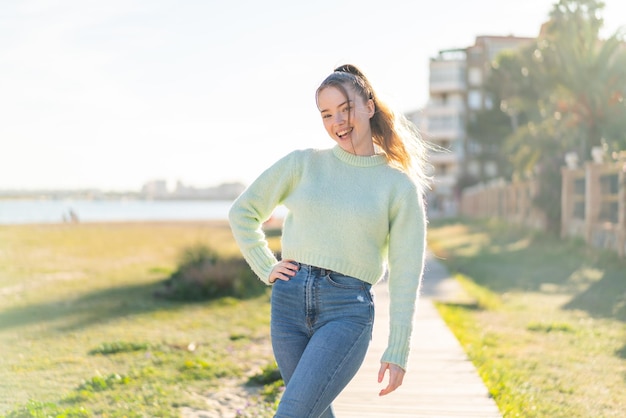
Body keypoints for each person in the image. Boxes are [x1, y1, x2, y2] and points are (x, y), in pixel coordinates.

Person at [228, 64, 429, 418]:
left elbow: (406, 273)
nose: (338, 121)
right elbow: (243, 212)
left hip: (346, 311)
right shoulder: (303, 164)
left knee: (292, 412)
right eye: (327, 114)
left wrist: (398, 348)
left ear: (369, 106)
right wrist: (265, 265)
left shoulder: (397, 186)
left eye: (345, 108)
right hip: (288, 304)